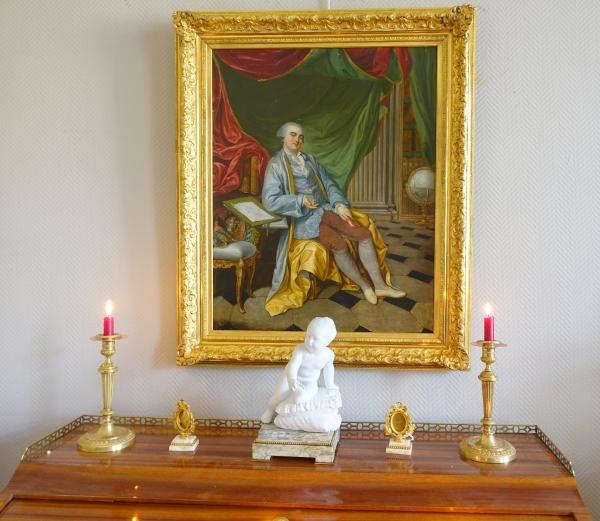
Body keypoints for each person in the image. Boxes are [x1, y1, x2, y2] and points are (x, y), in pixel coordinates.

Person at [261, 122, 405, 315]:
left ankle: (379, 285)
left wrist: (338, 204)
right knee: (340, 246)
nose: (297, 140)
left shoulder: (309, 159)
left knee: (364, 234)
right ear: (283, 138)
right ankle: (365, 286)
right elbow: (270, 200)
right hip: (304, 221)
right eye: (293, 135)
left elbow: (329, 184)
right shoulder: (276, 165)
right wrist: (300, 199)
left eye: (301, 136)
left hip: (325, 210)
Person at [261, 317, 338, 424]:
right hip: (291, 377)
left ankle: (299, 396)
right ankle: (269, 410)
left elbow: (329, 370)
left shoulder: (328, 355)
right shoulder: (300, 349)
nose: (309, 341)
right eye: (308, 336)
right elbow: (293, 365)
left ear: (327, 341)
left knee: (311, 390)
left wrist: (330, 385)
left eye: (315, 339)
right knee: (279, 396)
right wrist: (292, 380)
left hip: (310, 380)